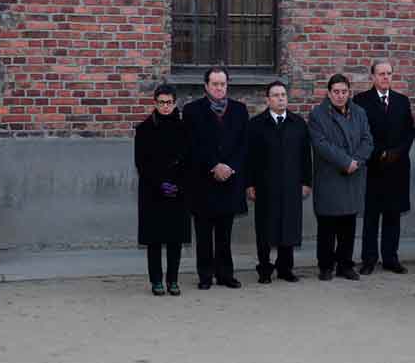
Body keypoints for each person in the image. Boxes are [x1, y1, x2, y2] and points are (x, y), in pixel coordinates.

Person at [183, 66, 249, 289]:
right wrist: (214, 165)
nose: (219, 88)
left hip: (229, 180)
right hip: (203, 180)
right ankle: (205, 275)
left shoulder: (240, 110)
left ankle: (225, 274)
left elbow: (243, 145)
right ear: (206, 86)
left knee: (225, 232)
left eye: (223, 84)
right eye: (215, 84)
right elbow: (192, 145)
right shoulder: (192, 111)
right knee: (203, 233)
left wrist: (230, 167)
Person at [247, 80, 313, 283]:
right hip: (265, 185)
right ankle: (265, 269)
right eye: (275, 95)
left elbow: (305, 156)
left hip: (291, 184)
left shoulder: (298, 123)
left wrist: (306, 182)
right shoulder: (256, 125)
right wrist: (249, 184)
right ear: (268, 99)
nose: (280, 98)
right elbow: (249, 157)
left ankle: (285, 268)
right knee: (265, 228)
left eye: (283, 94)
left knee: (288, 225)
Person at [309, 74, 374, 281]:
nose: (340, 95)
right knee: (327, 225)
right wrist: (346, 162)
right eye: (336, 91)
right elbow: (321, 144)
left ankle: (345, 265)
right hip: (331, 175)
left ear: (349, 93)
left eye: (344, 92)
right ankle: (326, 266)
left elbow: (367, 140)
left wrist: (356, 161)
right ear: (329, 93)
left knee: (348, 224)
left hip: (353, 175)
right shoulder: (318, 114)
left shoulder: (359, 112)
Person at [353, 59, 414, 274]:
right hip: (373, 167)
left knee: (392, 215)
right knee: (371, 216)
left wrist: (397, 152)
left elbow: (409, 132)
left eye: (389, 73)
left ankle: (391, 258)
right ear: (372, 76)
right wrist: (379, 153)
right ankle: (369, 260)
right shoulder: (361, 100)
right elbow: (360, 133)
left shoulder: (402, 101)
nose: (385, 77)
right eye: (381, 74)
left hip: (397, 168)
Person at [134, 84, 191, 296]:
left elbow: (189, 160)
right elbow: (141, 163)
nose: (165, 107)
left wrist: (178, 184)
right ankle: (156, 281)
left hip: (178, 190)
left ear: (175, 103)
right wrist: (160, 184)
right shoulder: (144, 129)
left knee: (175, 239)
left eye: (169, 102)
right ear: (155, 103)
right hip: (153, 192)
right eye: (161, 103)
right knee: (155, 240)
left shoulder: (185, 128)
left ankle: (173, 280)